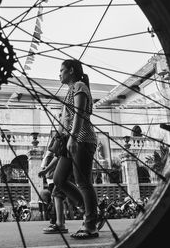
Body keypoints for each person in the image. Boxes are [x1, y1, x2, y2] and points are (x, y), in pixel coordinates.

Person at [52, 59, 99, 239]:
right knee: (59, 179)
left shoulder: (79, 86)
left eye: (62, 70)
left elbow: (79, 113)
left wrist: (72, 136)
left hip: (82, 139)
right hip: (70, 141)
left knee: (83, 181)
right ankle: (89, 210)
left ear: (71, 71)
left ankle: (90, 225)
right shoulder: (70, 91)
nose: (60, 73)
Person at [38, 152, 68, 234]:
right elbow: (58, 155)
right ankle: (59, 222)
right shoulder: (51, 154)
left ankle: (58, 221)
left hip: (55, 178)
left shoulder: (50, 154)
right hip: (56, 177)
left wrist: (46, 170)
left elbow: (58, 156)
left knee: (57, 196)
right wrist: (46, 170)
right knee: (58, 195)